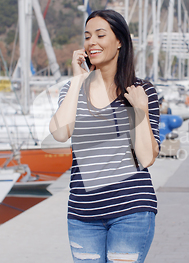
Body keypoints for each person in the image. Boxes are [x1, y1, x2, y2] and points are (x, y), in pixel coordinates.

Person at [49, 10, 160, 263]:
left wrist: (139, 110)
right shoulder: (72, 89)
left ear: (119, 41)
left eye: (101, 35)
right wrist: (78, 81)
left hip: (131, 211)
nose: (92, 42)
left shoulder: (142, 91)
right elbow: (59, 132)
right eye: (87, 36)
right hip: (83, 215)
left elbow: (146, 157)